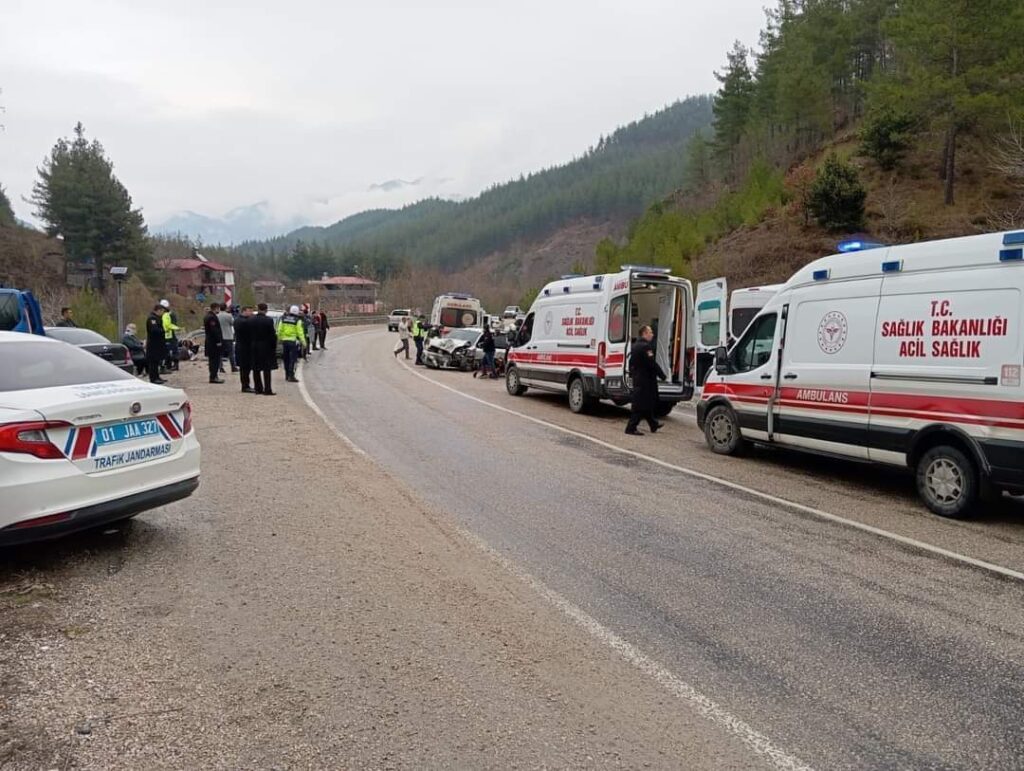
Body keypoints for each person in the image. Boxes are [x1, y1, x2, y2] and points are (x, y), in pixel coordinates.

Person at [625, 325, 667, 436]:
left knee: (646, 403)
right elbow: (652, 364)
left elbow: (631, 363)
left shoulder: (635, 346)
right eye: (650, 332)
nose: (652, 334)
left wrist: (632, 374)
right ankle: (631, 427)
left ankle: (653, 423)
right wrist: (662, 375)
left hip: (638, 379)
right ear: (644, 334)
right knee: (640, 405)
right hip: (645, 381)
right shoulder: (645, 347)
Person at [250, 303, 278, 395]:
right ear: (266, 310)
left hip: (254, 345)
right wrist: (274, 346)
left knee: (256, 368)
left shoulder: (251, 319)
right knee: (267, 368)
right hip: (266, 346)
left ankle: (258, 388)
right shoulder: (268, 320)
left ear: (258, 309)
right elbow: (272, 335)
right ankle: (267, 389)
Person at [277, 305, 306, 382]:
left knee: (286, 358)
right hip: (293, 341)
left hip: (284, 341)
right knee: (292, 359)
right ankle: (291, 375)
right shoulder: (298, 320)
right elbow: (300, 332)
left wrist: (279, 338)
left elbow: (279, 329)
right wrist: (303, 342)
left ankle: (287, 375)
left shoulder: (283, 318)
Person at [145, 305, 168, 385]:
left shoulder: (157, 318)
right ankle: (153, 378)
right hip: (153, 344)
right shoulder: (152, 319)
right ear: (158, 310)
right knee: (153, 362)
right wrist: (163, 331)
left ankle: (157, 376)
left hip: (158, 344)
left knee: (156, 361)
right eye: (162, 311)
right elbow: (154, 330)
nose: (163, 313)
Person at [234, 306, 255, 392]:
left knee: (245, 368)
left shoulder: (238, 320)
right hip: (244, 347)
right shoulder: (243, 322)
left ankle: (246, 385)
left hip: (241, 346)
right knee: (245, 367)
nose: (251, 313)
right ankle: (245, 386)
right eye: (250, 311)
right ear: (244, 311)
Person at [203, 302, 225, 383]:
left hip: (210, 341)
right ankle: (213, 377)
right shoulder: (211, 317)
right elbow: (214, 330)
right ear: (216, 308)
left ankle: (214, 376)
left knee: (213, 360)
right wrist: (218, 341)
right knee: (214, 360)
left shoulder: (208, 316)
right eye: (218, 308)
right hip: (213, 342)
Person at [160, 299, 181, 372]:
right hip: (168, 334)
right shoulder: (168, 314)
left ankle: (173, 364)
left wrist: (175, 328)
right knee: (170, 350)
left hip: (169, 335)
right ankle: (169, 364)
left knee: (172, 350)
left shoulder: (168, 314)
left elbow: (169, 325)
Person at [217, 302, 237, 373]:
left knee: (220, 353)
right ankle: (233, 367)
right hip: (228, 336)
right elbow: (232, 323)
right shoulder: (229, 315)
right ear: (226, 308)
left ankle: (220, 367)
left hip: (220, 336)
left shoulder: (217, 316)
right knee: (231, 353)